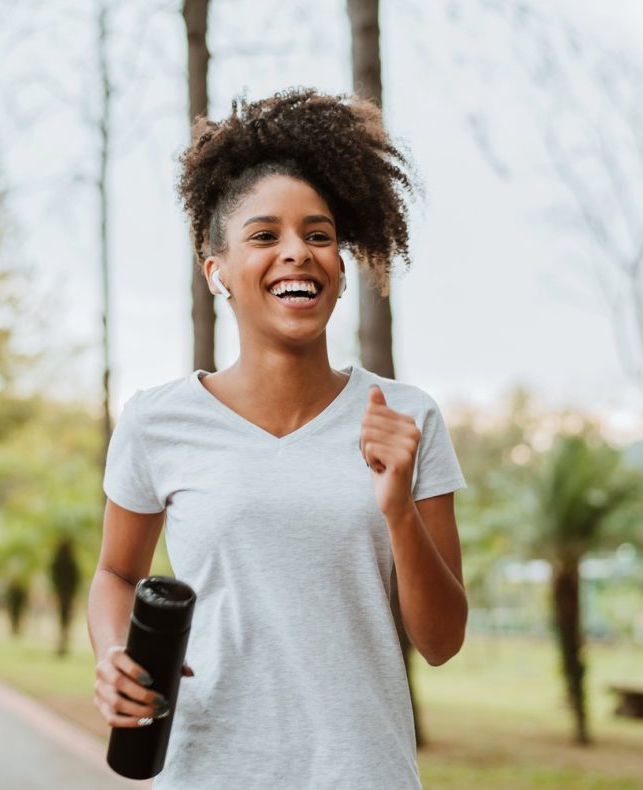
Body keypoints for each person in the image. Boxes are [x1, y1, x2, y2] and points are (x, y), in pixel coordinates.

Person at [87, 86, 468, 790]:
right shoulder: (155, 421)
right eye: (265, 236)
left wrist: (397, 511)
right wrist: (115, 653)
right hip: (206, 772)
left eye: (319, 236)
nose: (298, 253)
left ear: (341, 268)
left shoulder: (407, 418)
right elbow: (116, 574)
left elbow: (441, 641)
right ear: (218, 272)